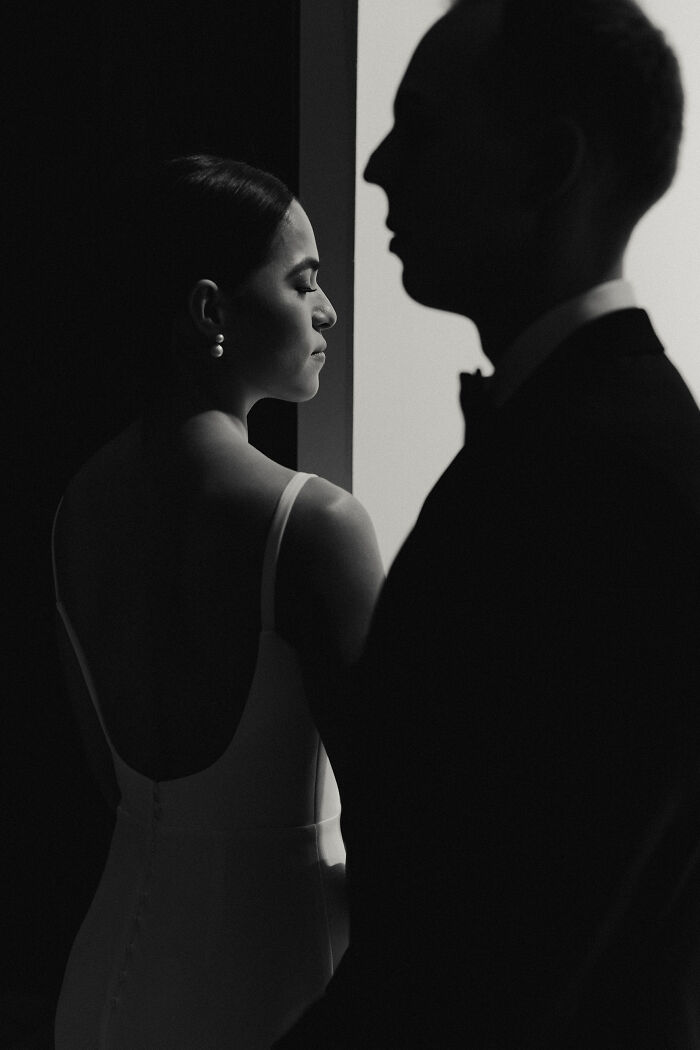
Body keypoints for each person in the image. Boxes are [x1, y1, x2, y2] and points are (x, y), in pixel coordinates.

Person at [277, 1, 700, 1047]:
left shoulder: (620, 483)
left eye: (418, 126)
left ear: (549, 164)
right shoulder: (575, 445)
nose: (375, 167)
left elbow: (499, 956)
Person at [51, 155, 384, 1049]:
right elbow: (396, 821)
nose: (328, 310)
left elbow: (102, 773)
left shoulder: (79, 505)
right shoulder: (314, 527)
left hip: (99, 988)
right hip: (272, 991)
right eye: (303, 281)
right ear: (211, 311)